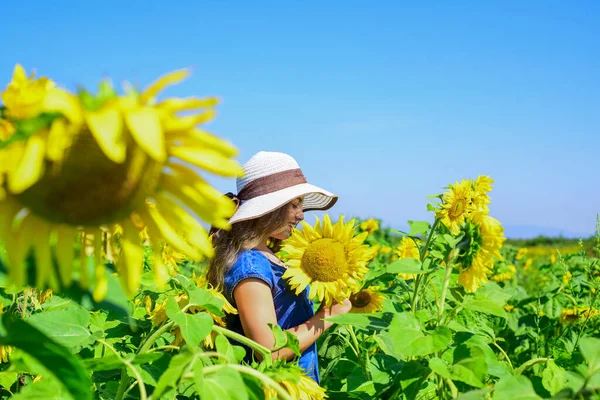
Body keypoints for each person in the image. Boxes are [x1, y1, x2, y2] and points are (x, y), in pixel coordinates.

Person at [206, 151, 352, 384]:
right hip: (275, 388)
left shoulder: (268, 257)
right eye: (294, 205)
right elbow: (269, 351)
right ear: (269, 208)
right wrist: (327, 316)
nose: (301, 215)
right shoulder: (250, 265)